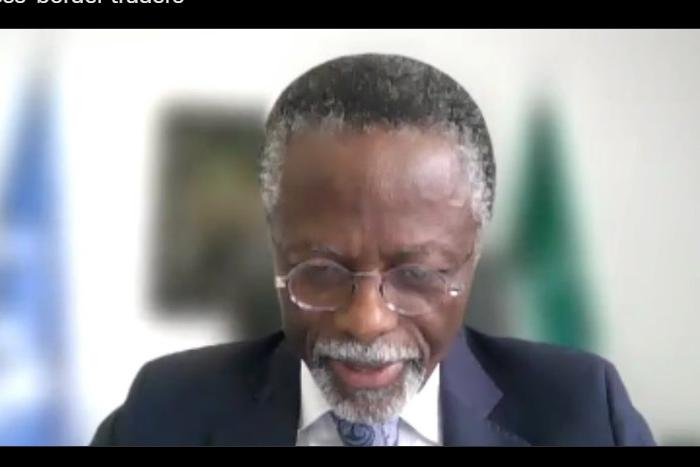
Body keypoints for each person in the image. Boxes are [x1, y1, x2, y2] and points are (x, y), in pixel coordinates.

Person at [91, 53, 655, 446]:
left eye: (417, 274)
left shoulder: (585, 413)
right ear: (275, 246)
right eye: (322, 270)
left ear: (473, 254)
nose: (366, 321)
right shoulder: (164, 413)